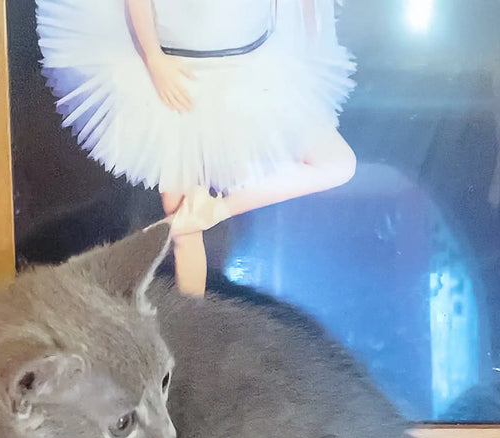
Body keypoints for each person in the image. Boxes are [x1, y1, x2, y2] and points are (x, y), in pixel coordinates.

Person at [37, 0, 356, 295]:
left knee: (337, 164)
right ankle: (192, 314)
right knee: (181, 214)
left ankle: (208, 215)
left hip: (248, 70)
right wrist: (153, 58)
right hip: (178, 74)